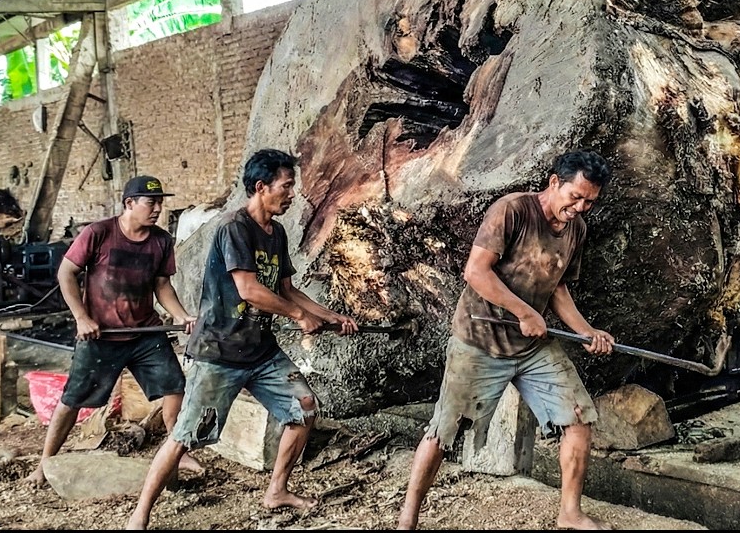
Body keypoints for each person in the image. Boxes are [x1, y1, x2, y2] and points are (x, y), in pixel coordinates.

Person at [127, 148, 358, 530]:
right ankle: (141, 514)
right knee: (186, 435)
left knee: (304, 409)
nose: (292, 194)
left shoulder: (277, 232)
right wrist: (299, 316)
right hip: (218, 351)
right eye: (286, 186)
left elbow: (286, 288)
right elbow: (249, 289)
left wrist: (328, 315)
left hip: (260, 351)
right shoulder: (234, 227)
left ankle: (277, 491)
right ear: (260, 186)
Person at [397, 149, 617, 531]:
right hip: (480, 338)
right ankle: (409, 517)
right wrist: (525, 311)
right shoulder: (513, 210)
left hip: (532, 348)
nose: (580, 207)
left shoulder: (576, 230)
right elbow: (476, 272)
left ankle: (570, 514)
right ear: (554, 183)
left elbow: (559, 287)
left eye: (589, 201)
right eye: (575, 196)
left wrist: (586, 332)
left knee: (579, 419)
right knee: (443, 431)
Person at [27, 174, 201, 486]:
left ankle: (177, 451)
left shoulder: (160, 241)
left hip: (145, 334)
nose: (157, 208)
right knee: (72, 399)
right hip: (101, 335)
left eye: (160, 202)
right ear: (129, 203)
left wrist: (181, 314)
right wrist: (81, 317)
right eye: (151, 202)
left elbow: (162, 285)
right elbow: (66, 273)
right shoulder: (99, 233)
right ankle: (45, 462)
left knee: (175, 389)